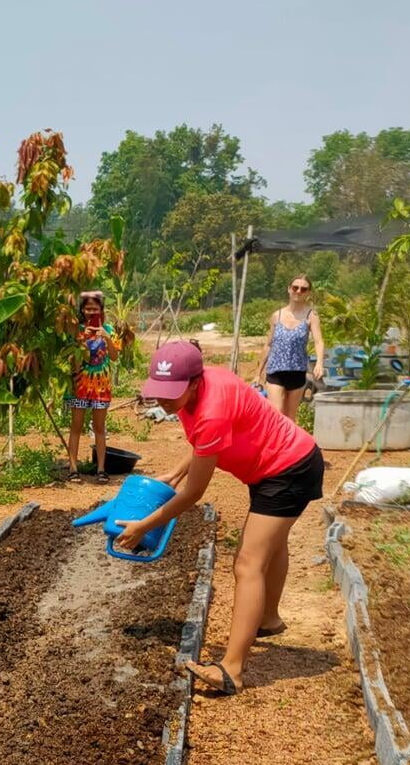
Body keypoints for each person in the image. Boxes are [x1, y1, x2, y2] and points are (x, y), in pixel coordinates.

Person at [116, 340, 324, 696]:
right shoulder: (200, 388)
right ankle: (268, 619)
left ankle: (232, 669)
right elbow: (202, 441)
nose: (163, 400)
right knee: (273, 545)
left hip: (288, 470)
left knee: (248, 564)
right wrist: (175, 473)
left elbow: (194, 494)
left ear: (195, 382)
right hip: (277, 465)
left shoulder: (211, 408)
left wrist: (144, 526)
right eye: (159, 391)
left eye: (171, 393)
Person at [256, 276, 325, 423]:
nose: (298, 291)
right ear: (289, 289)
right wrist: (258, 372)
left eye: (303, 289)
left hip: (297, 371)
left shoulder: (311, 316)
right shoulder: (277, 315)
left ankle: (288, 439)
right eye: (295, 287)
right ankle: (276, 439)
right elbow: (269, 344)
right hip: (275, 370)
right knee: (277, 414)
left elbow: (318, 341)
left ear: (308, 293)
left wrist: (319, 363)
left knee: (290, 418)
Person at [67, 290, 120, 482]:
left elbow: (114, 357)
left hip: (101, 387)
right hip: (79, 386)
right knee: (76, 426)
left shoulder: (109, 330)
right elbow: (71, 359)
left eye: (94, 309)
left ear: (101, 310)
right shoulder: (76, 331)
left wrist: (106, 337)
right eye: (87, 309)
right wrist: (82, 339)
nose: (91, 312)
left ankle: (101, 469)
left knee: (99, 427)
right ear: (82, 310)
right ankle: (73, 468)